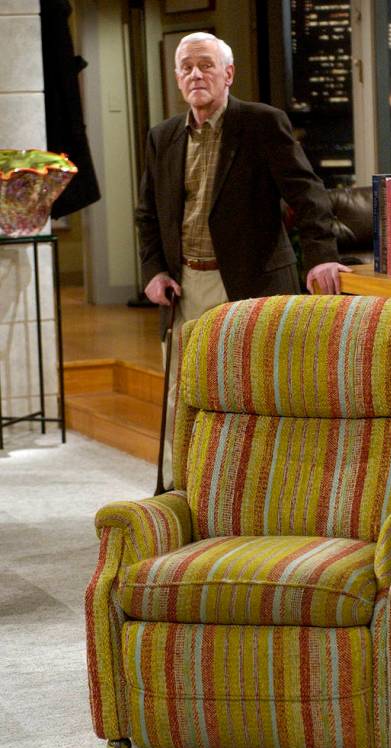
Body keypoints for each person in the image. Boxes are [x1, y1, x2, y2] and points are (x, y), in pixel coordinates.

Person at [136, 31, 351, 489]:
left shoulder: (261, 123)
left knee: (256, 393)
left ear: (228, 74)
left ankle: (263, 492)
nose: (196, 75)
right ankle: (179, 490)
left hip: (250, 283)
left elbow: (309, 195)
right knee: (180, 393)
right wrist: (153, 270)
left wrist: (321, 258)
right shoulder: (162, 136)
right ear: (177, 77)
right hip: (184, 285)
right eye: (187, 67)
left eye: (206, 65)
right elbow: (148, 214)